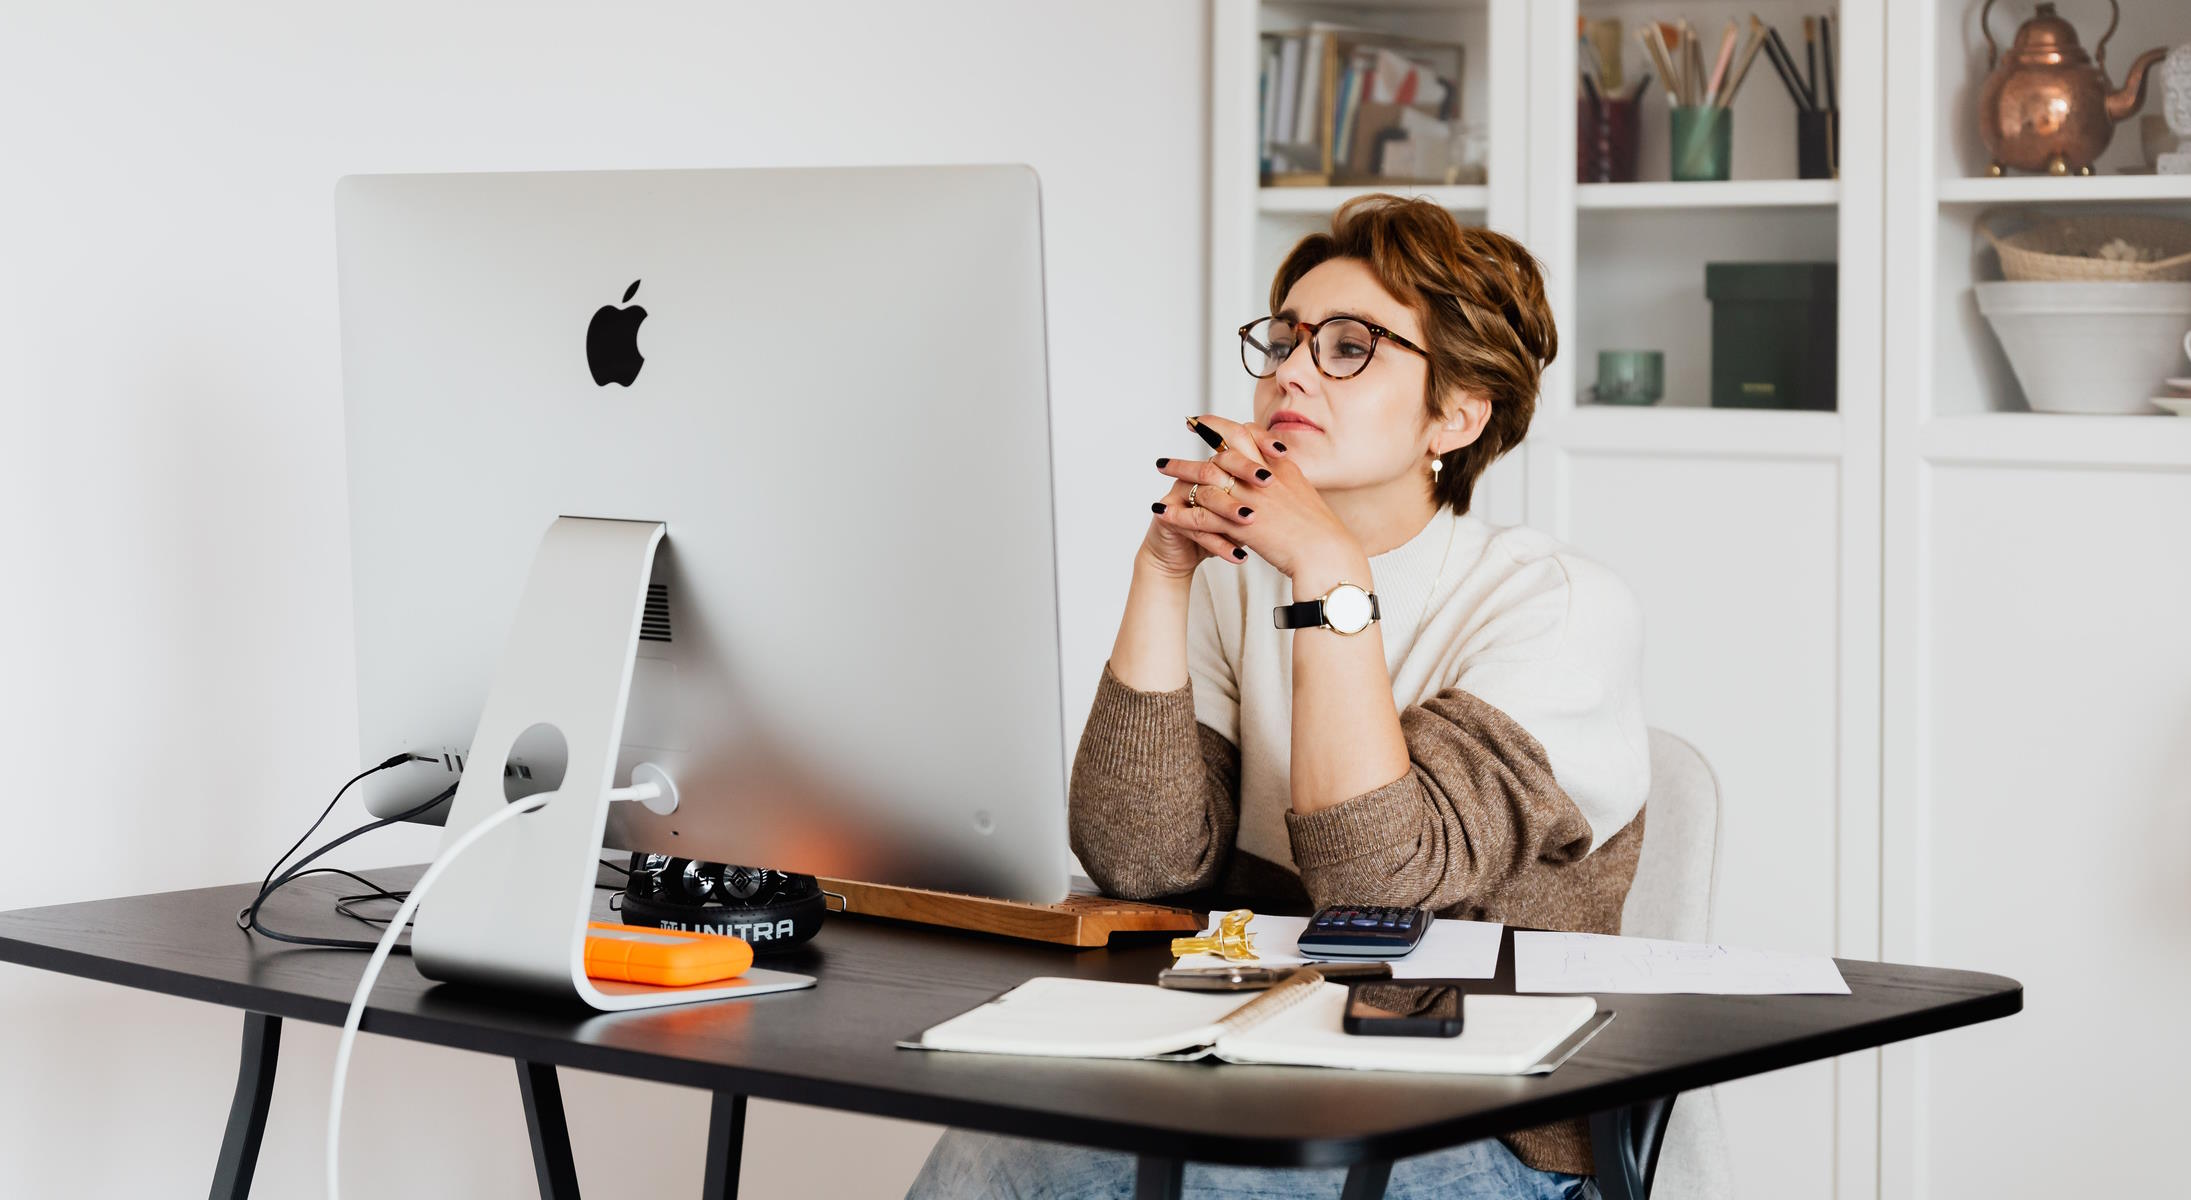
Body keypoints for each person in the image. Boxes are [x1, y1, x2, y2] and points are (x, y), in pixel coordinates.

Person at [907, 194, 1648, 1200]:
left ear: (1457, 414)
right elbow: (1142, 860)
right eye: (1286, 341)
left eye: (1350, 347)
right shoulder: (1237, 580)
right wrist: (1164, 572)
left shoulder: (1556, 607)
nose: (1289, 372)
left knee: (1027, 1163)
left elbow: (1377, 894)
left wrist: (1330, 574)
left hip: (1484, 1118)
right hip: (1248, 1068)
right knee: (1000, 1142)